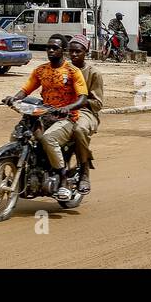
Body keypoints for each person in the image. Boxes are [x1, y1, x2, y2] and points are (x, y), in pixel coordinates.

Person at [2, 35, 87, 201]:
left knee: (48, 139)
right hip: (45, 115)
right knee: (17, 136)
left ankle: (62, 179)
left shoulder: (72, 72)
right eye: (48, 47)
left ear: (63, 51)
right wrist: (14, 98)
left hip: (67, 118)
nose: (50, 50)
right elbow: (26, 89)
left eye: (55, 48)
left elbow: (82, 98)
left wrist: (66, 108)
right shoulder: (41, 70)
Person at [67, 36, 103, 194]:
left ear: (86, 52)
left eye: (78, 51)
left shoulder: (94, 73)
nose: (74, 55)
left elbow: (98, 103)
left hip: (86, 113)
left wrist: (80, 102)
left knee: (79, 130)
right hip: (62, 110)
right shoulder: (63, 69)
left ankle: (84, 171)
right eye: (71, 51)